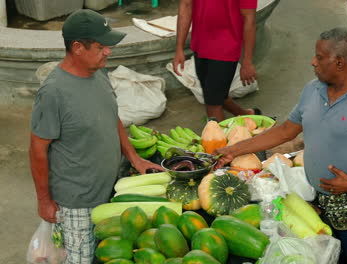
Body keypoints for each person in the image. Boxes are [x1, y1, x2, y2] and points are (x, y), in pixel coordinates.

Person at [214, 27, 347, 264]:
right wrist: (233, 150)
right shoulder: (312, 90)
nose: (312, 62)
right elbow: (287, 130)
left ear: (339, 63)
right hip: (315, 203)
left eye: (319, 57)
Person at [29, 9, 164, 264]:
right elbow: (37, 149)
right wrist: (44, 201)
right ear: (78, 47)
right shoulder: (53, 93)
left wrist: (134, 159)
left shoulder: (98, 73)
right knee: (79, 259)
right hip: (76, 203)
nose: (108, 52)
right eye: (101, 46)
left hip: (109, 190)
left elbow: (112, 117)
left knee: (104, 256)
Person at [172, 0, 260, 121]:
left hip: (226, 47)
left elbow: (249, 20)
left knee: (212, 104)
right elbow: (186, 5)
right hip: (200, 45)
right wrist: (179, 48)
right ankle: (244, 114)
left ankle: (220, 138)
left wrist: (247, 61)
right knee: (214, 93)